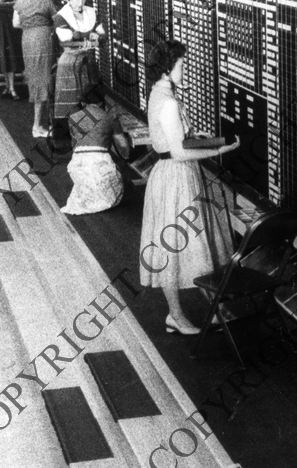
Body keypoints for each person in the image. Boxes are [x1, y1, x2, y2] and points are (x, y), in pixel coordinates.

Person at [139, 40, 240, 335]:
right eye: (182, 64)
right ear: (167, 68)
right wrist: (218, 151)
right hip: (176, 177)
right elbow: (180, 152)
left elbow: (177, 141)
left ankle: (214, 310)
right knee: (180, 246)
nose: (186, 69)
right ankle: (177, 316)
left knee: (196, 242)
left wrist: (200, 136)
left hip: (174, 175)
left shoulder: (160, 93)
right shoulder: (168, 102)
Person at [52, 0, 105, 143]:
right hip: (69, 63)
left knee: (94, 99)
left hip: (89, 63)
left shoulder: (91, 11)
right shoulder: (61, 16)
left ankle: (93, 136)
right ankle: (66, 142)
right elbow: (66, 40)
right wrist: (89, 38)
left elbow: (102, 35)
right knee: (69, 102)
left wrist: (99, 36)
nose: (80, 3)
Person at [61, 84, 123, 215]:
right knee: (116, 191)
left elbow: (74, 145)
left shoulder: (73, 118)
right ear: (102, 101)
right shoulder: (110, 117)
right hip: (100, 163)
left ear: (83, 102)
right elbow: (122, 144)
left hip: (77, 163)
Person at [13, 0, 58, 138]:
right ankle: (37, 126)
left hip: (27, 39)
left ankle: (40, 124)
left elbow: (15, 23)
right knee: (43, 79)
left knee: (36, 78)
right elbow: (57, 21)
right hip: (42, 39)